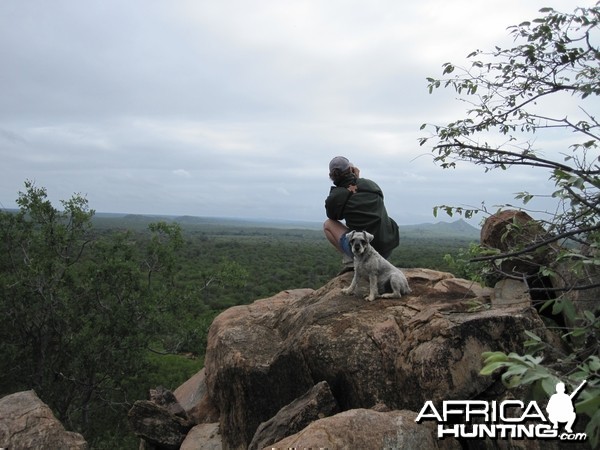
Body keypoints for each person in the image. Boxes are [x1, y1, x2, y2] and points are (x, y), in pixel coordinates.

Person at [324, 156, 399, 272]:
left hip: (363, 249)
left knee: (328, 224)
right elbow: (366, 201)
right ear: (351, 169)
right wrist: (356, 180)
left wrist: (347, 185)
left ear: (332, 176)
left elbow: (333, 217)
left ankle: (351, 260)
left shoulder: (336, 196)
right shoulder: (371, 185)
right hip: (386, 246)